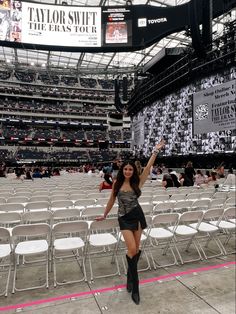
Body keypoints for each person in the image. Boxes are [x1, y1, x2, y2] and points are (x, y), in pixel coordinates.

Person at [96, 139, 165, 305]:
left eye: (130, 169)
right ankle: (136, 287)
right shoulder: (117, 184)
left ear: (133, 171)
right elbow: (112, 200)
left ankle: (129, 277)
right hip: (124, 219)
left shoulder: (137, 182)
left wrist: (155, 151)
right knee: (132, 249)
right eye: (125, 169)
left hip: (138, 216)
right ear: (122, 170)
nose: (127, 171)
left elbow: (148, 168)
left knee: (136, 250)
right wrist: (105, 214)